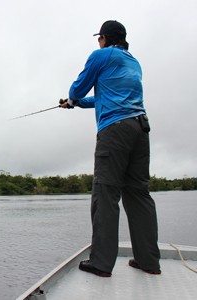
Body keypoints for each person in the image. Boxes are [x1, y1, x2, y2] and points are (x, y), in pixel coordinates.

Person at [60, 20, 161, 277]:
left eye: (99, 38)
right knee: (139, 194)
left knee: (105, 193)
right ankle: (149, 261)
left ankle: (101, 263)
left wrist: (71, 99)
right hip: (140, 129)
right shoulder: (133, 62)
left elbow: (78, 87)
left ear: (104, 38)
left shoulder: (100, 56)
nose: (98, 43)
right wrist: (78, 104)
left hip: (114, 131)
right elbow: (103, 95)